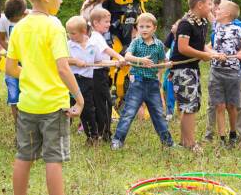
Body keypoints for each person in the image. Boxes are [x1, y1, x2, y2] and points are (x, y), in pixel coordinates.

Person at [6, 0, 84, 194]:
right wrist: (79, 98)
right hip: (53, 106)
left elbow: (11, 68)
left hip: (28, 104)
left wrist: (31, 74)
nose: (61, 0)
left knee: (24, 156)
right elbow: (63, 67)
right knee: (53, 159)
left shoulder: (18, 27)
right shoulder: (55, 26)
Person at [111, 13, 174, 150]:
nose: (144, 29)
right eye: (141, 26)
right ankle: (117, 140)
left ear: (154, 28)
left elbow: (162, 62)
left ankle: (167, 142)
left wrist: (167, 65)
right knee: (128, 113)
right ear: (137, 28)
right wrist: (141, 61)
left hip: (152, 84)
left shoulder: (158, 45)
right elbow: (127, 56)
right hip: (137, 83)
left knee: (158, 114)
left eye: (147, 26)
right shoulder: (135, 42)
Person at [204, 0, 241, 144]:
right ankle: (221, 138)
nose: (215, 11)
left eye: (219, 9)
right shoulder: (216, 25)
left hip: (233, 71)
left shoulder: (237, 28)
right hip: (216, 70)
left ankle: (235, 135)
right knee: (219, 105)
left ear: (227, 13)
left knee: (232, 105)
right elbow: (206, 10)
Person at [170, 0, 220, 151]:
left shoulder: (201, 22)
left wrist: (213, 53)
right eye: (210, 3)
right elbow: (182, 48)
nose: (211, 7)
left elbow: (200, 45)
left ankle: (186, 142)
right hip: (182, 69)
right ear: (200, 5)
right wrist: (205, 55)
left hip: (192, 68)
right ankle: (190, 143)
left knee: (192, 105)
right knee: (188, 107)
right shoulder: (186, 23)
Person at [89, 8, 125, 142]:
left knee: (102, 103)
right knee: (104, 103)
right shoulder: (96, 37)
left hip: (101, 72)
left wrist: (114, 63)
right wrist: (119, 58)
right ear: (96, 23)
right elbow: (106, 50)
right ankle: (104, 133)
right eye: (106, 22)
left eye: (109, 21)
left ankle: (103, 132)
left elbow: (100, 59)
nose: (109, 24)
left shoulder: (99, 37)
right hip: (97, 74)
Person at [66, 15, 99, 144]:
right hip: (71, 79)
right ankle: (60, 135)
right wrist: (75, 61)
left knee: (87, 109)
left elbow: (98, 60)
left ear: (84, 32)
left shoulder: (93, 44)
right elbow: (62, 60)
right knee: (65, 106)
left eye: (73, 33)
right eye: (68, 32)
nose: (70, 35)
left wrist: (117, 61)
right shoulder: (68, 45)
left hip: (87, 80)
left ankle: (92, 137)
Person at [0, 0, 28, 122]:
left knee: (27, 93)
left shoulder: (32, 18)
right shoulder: (4, 18)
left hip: (28, 62)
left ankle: (28, 125)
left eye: (16, 20)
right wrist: (11, 50)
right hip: (12, 59)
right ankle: (18, 125)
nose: (13, 22)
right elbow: (1, 39)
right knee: (13, 94)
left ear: (24, 14)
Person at [163, 20, 180, 121]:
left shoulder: (180, 42)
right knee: (166, 87)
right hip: (169, 69)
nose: (172, 25)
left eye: (175, 24)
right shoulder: (173, 40)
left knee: (174, 91)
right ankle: (169, 110)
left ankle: (172, 112)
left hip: (176, 70)